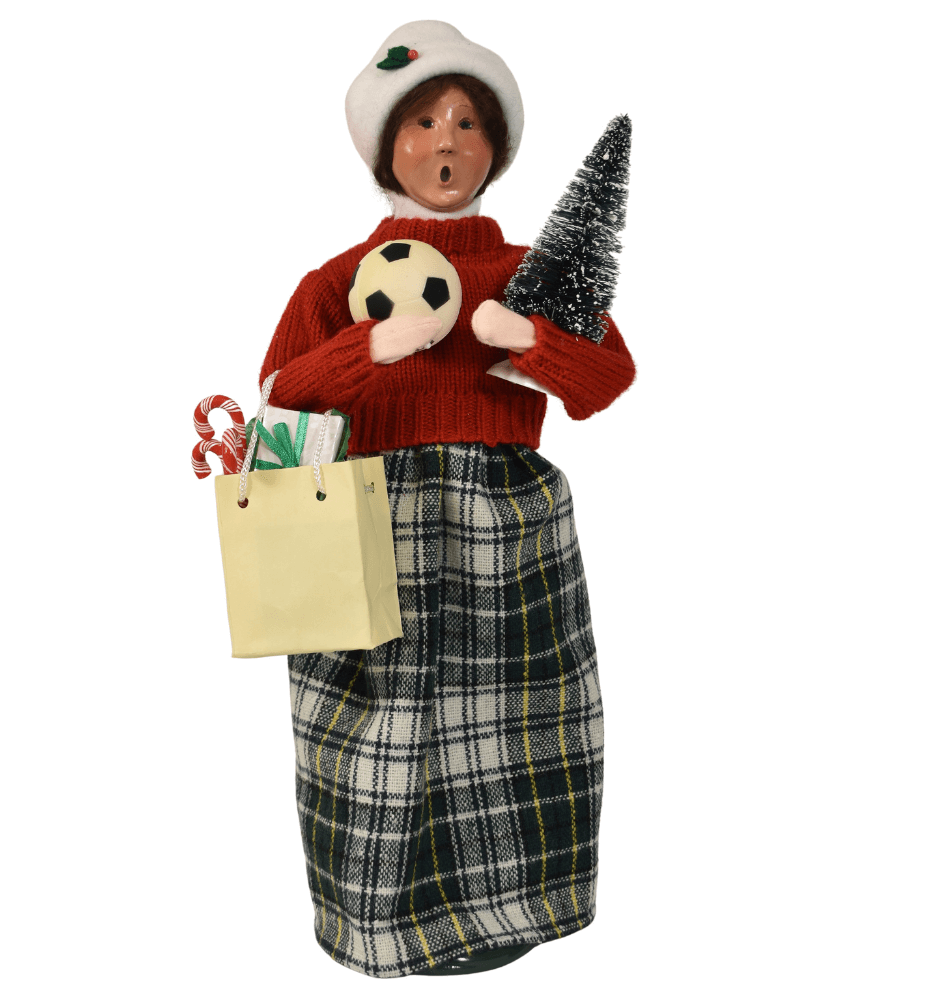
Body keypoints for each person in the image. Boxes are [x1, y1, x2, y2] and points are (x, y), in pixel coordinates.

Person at [260, 21, 635, 978]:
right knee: (371, 732)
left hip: (506, 529)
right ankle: (378, 921)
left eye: (469, 124)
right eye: (424, 121)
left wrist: (533, 340)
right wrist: (366, 350)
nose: (446, 143)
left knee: (522, 720)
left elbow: (609, 378)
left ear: (494, 151)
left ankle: (520, 905)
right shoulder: (335, 283)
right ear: (385, 147)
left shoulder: (527, 273)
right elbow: (278, 398)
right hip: (361, 524)